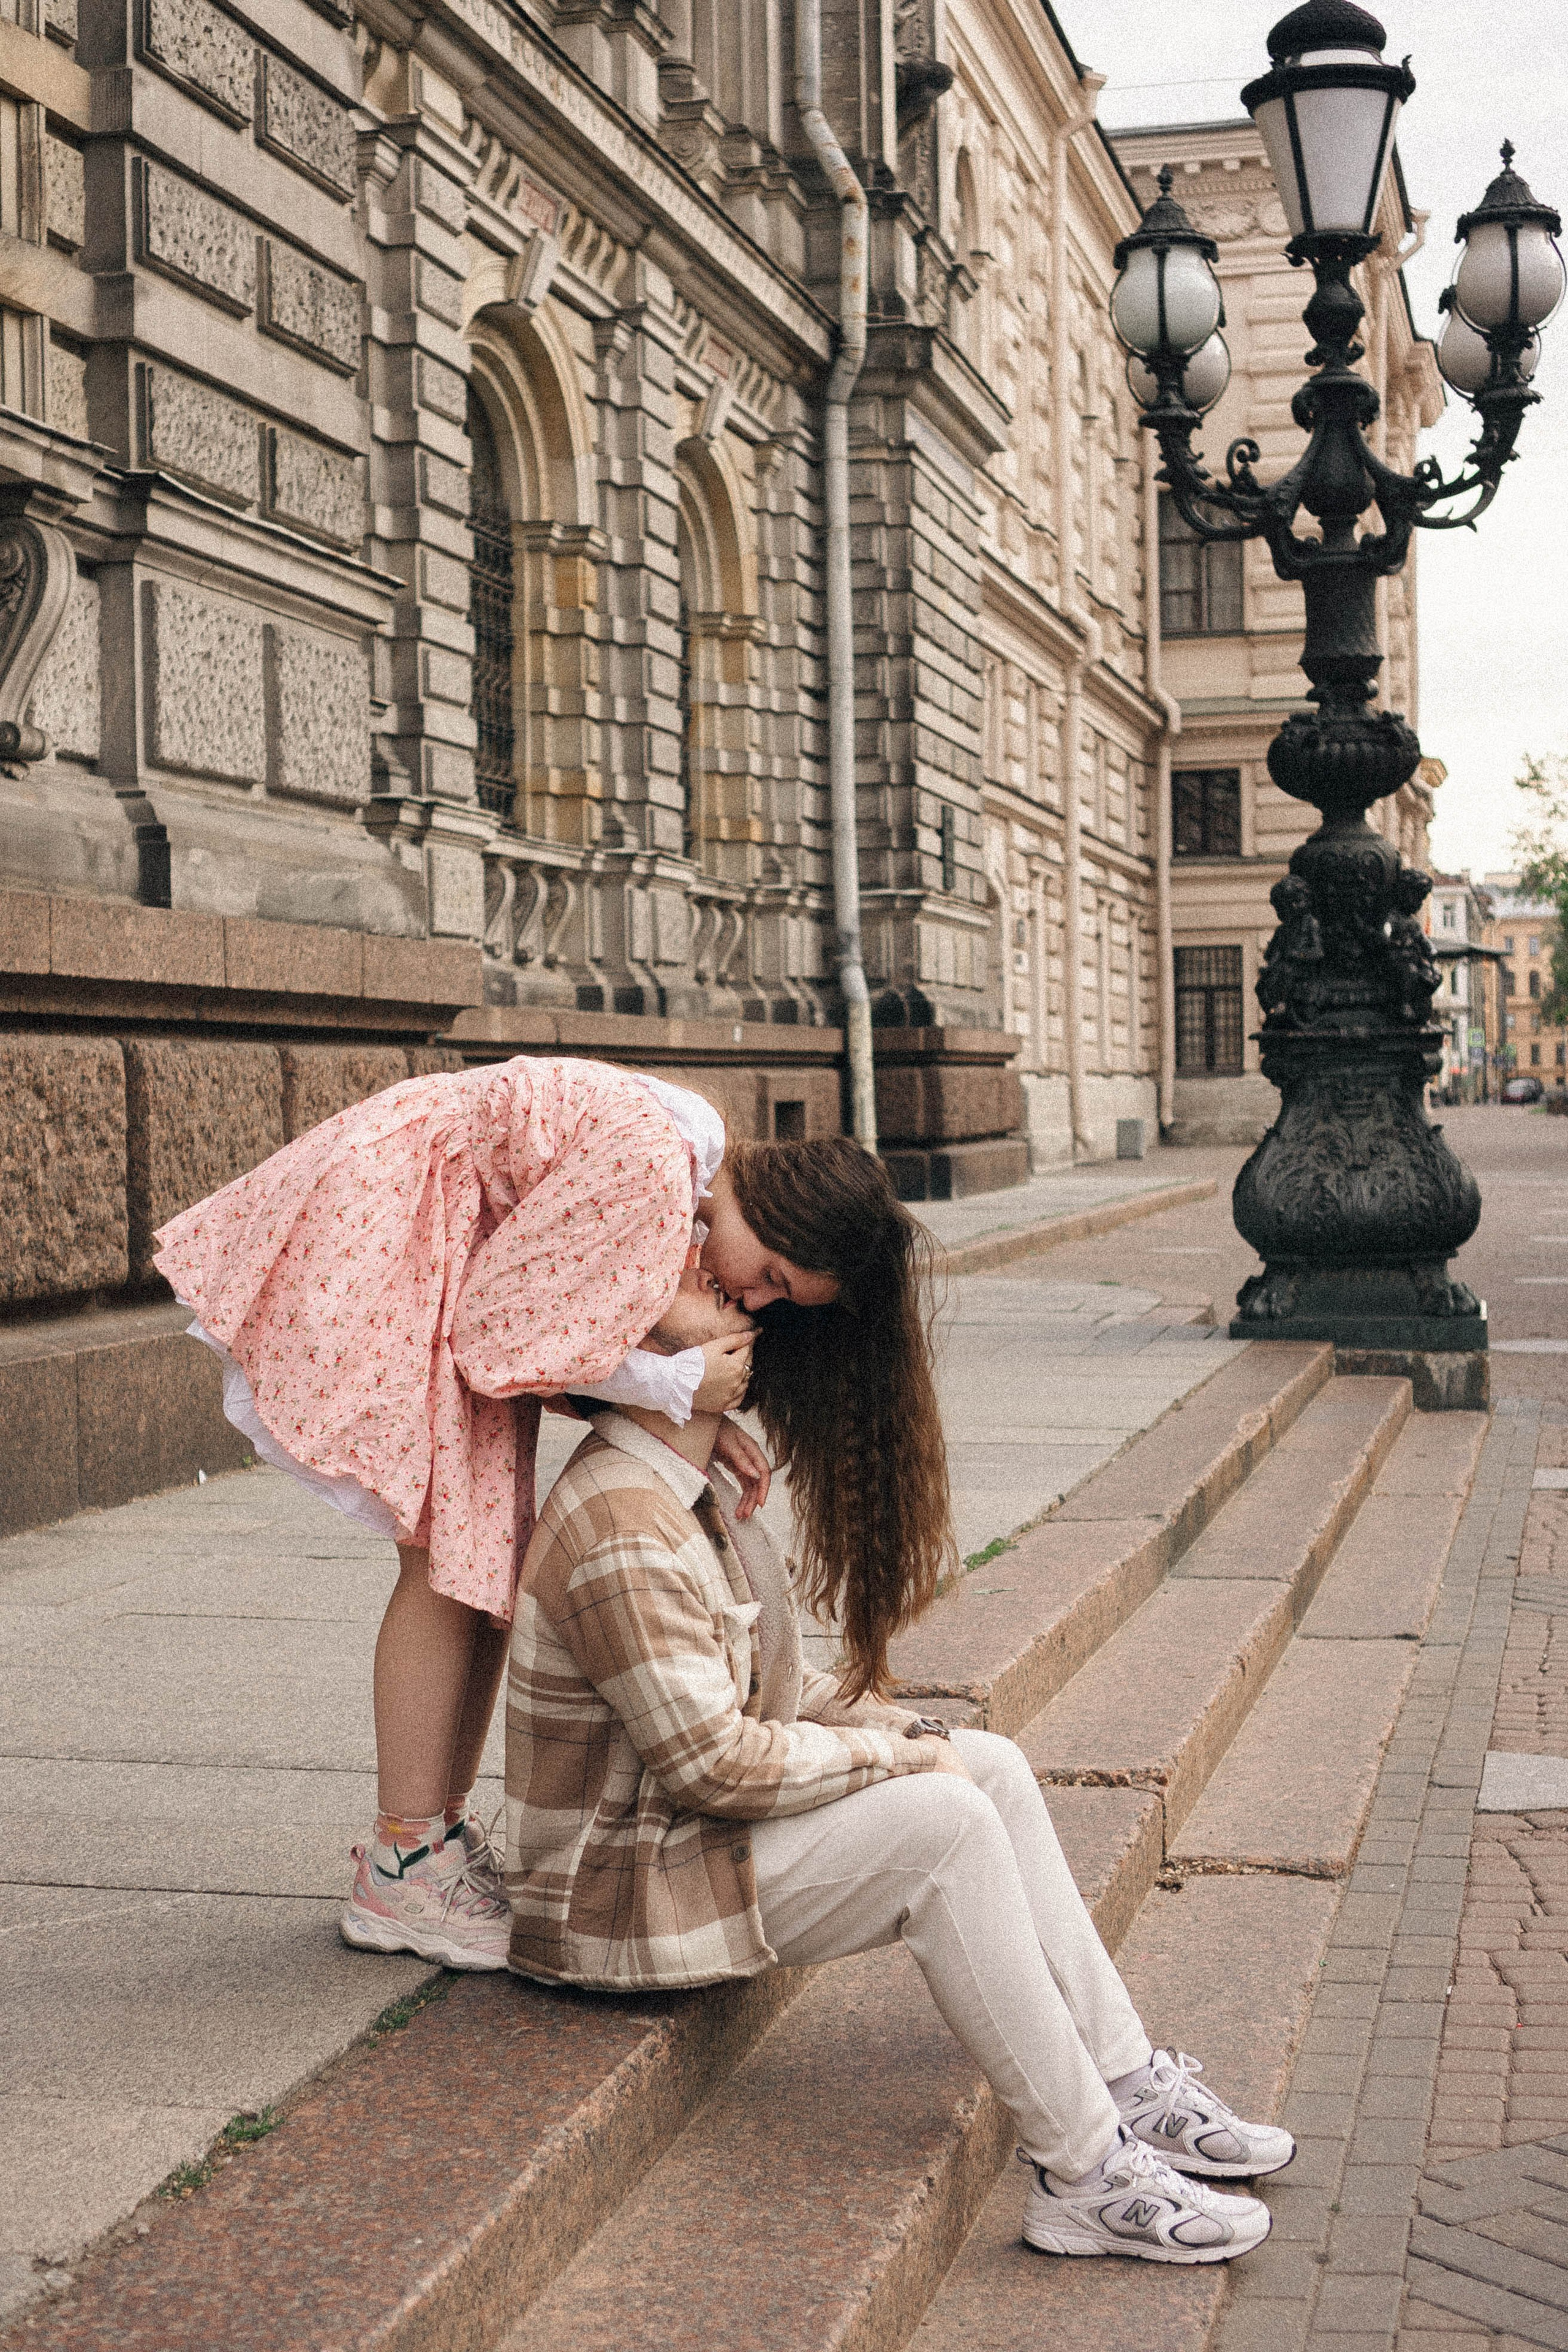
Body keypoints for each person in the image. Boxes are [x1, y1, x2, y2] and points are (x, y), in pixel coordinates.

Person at [503, 1261, 1295, 2268]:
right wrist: (894, 1764)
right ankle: (1086, 2177)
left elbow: (769, 1686)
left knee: (990, 1765)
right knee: (944, 1827)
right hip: (619, 1892)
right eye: (709, 1295)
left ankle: (1125, 2078)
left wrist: (908, 1737)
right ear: (654, 1356)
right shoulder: (621, 1520)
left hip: (682, 1835)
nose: (743, 1303)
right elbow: (712, 1765)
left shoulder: (681, 1481)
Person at [150, 1058, 914, 1972]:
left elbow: (558, 1321)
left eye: (778, 1301)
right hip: (402, 1233)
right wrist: (674, 1381)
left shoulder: (682, 1170)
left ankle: (431, 1841)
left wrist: (689, 1412)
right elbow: (498, 1338)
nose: (755, 1300)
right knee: (441, 1562)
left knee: (477, 1565)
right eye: (777, 1279)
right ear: (777, 1214)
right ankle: (401, 1864)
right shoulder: (655, 1170)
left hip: (434, 1240)